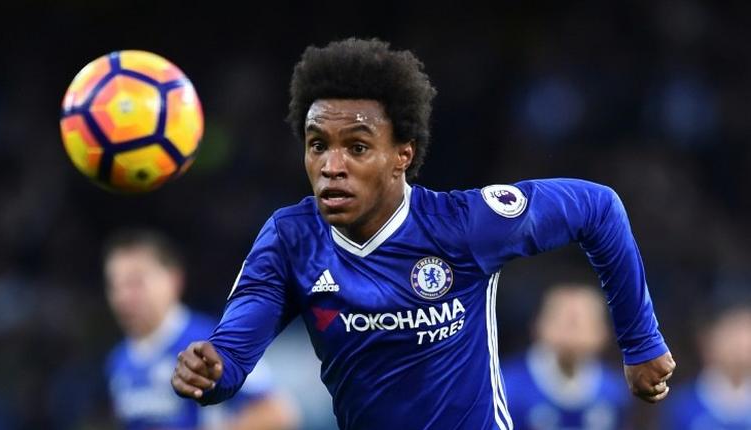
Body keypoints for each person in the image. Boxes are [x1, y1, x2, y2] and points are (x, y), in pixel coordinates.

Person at [171, 38, 676, 430]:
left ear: (403, 156)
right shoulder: (290, 240)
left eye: (358, 147)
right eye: (317, 144)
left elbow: (598, 207)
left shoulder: (464, 227)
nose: (331, 166)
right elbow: (232, 356)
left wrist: (641, 341)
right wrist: (210, 370)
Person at [103, 229, 298, 430]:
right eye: (115, 286)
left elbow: (276, 412)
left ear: (173, 280)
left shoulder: (213, 343)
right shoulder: (118, 361)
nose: (123, 297)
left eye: (136, 283)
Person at [502, 283, 631, 430]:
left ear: (604, 331)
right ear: (537, 325)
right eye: (561, 317)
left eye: (583, 320)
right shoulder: (506, 385)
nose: (572, 329)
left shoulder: (613, 390)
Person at [661, 304, 751, 430]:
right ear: (708, 339)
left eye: (746, 331)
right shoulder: (683, 406)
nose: (741, 343)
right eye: (732, 332)